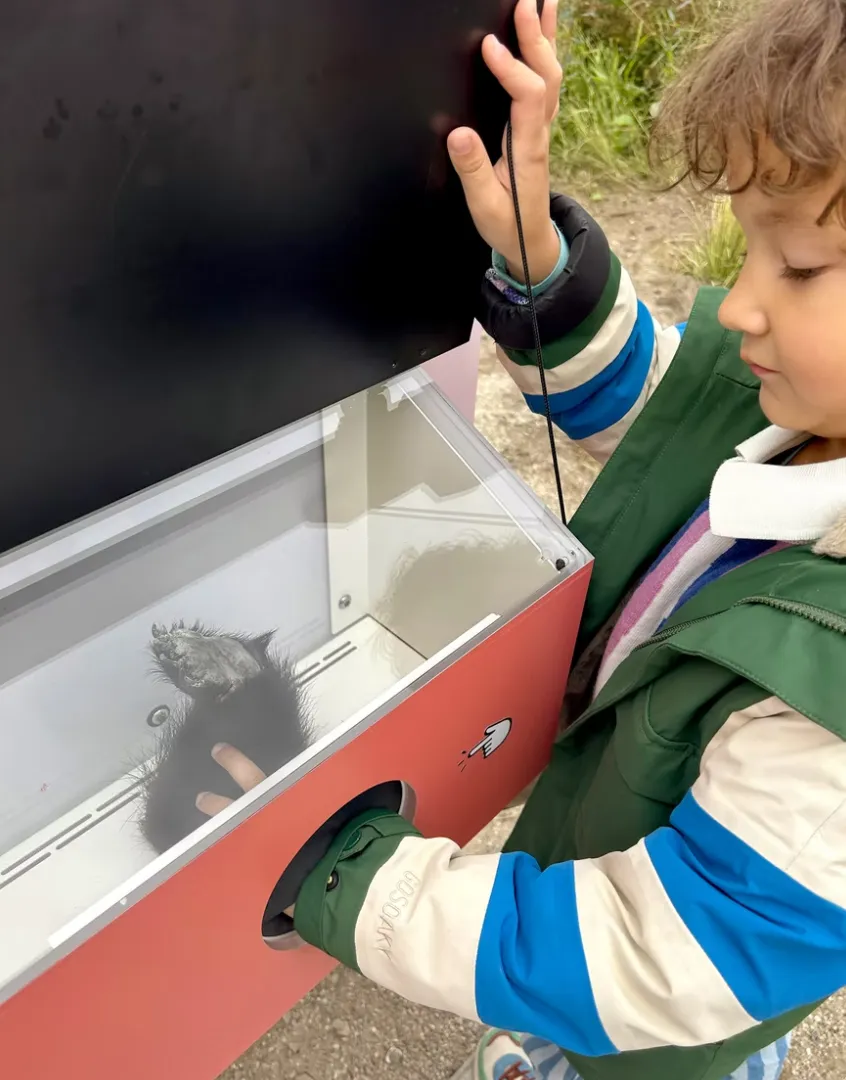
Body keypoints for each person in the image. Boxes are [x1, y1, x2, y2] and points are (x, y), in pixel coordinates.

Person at [197, 0, 846, 1076]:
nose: (740, 304)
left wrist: (346, 870)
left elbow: (654, 956)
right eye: (751, 247)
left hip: (664, 1004)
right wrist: (540, 256)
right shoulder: (808, 414)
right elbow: (657, 411)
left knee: (646, 1042)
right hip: (635, 848)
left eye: (804, 267)